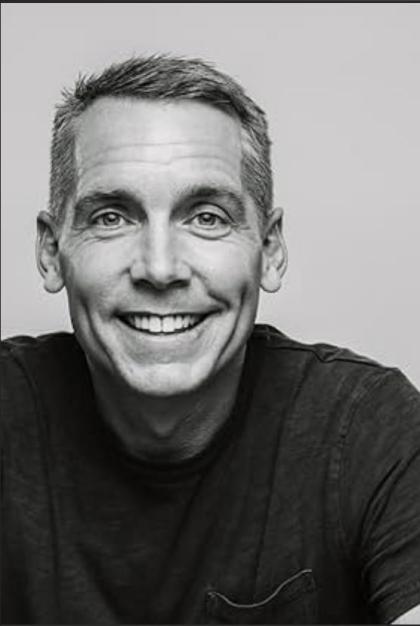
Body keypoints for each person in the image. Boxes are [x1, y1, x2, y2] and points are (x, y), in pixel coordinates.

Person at [1, 54, 419, 625]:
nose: (160, 267)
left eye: (207, 217)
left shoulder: (369, 429)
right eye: (112, 217)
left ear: (269, 250)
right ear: (52, 253)